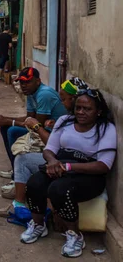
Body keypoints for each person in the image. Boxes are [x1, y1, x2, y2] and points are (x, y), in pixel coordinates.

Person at [21, 88, 117, 258]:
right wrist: (52, 161)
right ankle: (38, 225)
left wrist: (69, 167)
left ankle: (74, 234)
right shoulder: (65, 121)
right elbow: (50, 149)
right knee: (34, 183)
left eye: (87, 109)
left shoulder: (105, 128)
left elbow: (103, 165)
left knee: (59, 189)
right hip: (60, 167)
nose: (81, 112)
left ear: (98, 111)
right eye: (78, 107)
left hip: (89, 176)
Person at [0, 77, 86, 214]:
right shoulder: (67, 118)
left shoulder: (87, 122)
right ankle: (19, 204)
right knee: (23, 158)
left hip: (71, 164)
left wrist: (37, 127)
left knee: (19, 141)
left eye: (64, 99)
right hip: (59, 159)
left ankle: (30, 203)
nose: (61, 103)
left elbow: (52, 143)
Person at [0, 67, 69, 178]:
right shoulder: (31, 93)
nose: (23, 85)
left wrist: (8, 121)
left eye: (27, 82)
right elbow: (29, 118)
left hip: (52, 133)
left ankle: (18, 176)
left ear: (38, 81)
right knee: (5, 127)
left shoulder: (44, 94)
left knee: (12, 131)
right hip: (42, 128)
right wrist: (4, 119)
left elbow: (36, 124)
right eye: (22, 82)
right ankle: (16, 169)